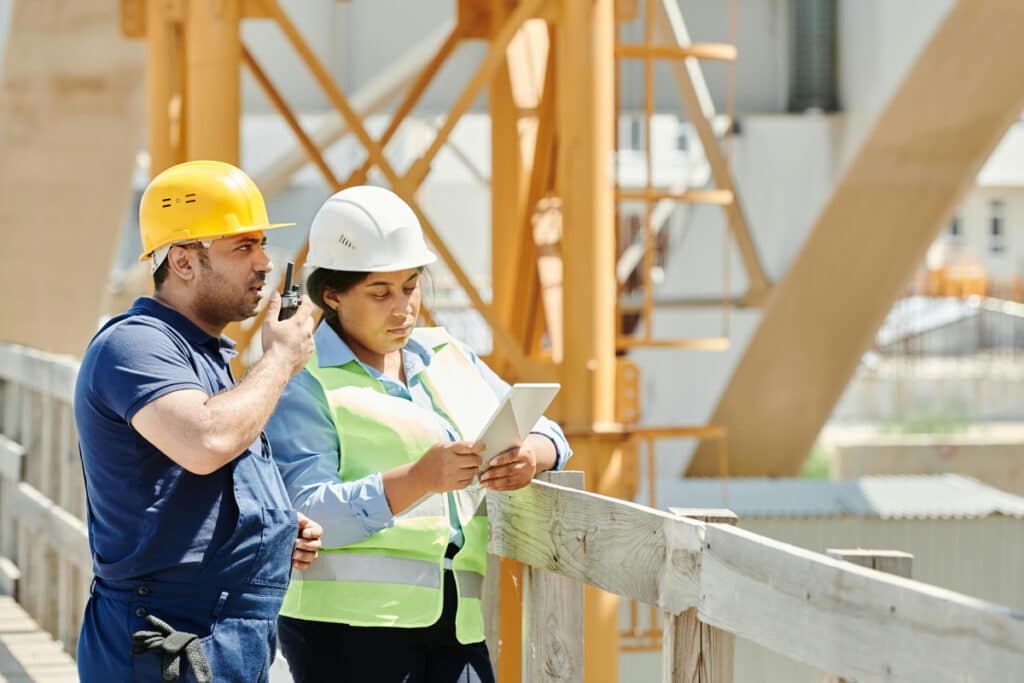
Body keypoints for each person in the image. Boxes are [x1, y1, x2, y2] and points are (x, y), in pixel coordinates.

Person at [265, 185, 573, 683]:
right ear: (333, 295)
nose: (403, 307)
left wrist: (531, 456)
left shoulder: (448, 353)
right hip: (347, 635)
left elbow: (549, 431)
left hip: (457, 624)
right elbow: (307, 512)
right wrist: (419, 478)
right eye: (380, 292)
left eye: (410, 286)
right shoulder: (302, 378)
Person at [74, 160, 324, 682]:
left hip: (220, 633)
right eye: (243, 247)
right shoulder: (134, 344)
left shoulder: (203, 356)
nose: (264, 263)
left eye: (261, 244)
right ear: (183, 262)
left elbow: (205, 474)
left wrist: (272, 529)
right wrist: (279, 359)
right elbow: (207, 439)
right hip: (167, 639)